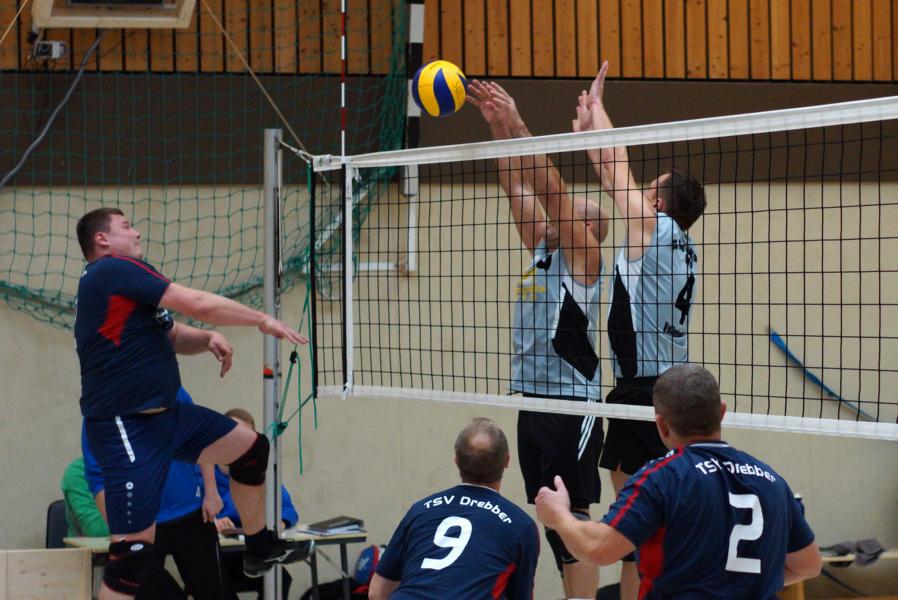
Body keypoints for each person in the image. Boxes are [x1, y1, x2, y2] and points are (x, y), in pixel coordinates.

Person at [74, 207, 312, 599]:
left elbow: (169, 334)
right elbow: (198, 303)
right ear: (102, 239)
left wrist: (205, 339)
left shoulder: (125, 288)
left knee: (251, 449)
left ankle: (259, 547)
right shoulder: (111, 270)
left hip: (168, 417)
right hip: (125, 424)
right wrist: (260, 320)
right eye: (127, 226)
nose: (137, 233)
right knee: (132, 556)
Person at [467, 80, 609, 599]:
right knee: (552, 519)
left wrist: (520, 121)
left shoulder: (585, 261)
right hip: (534, 399)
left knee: (574, 517)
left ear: (586, 231)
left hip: (572, 401)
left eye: (574, 216)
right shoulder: (541, 251)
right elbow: (517, 187)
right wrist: (498, 127)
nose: (556, 218)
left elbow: (552, 193)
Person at [574, 61, 707, 599]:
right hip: (657, 387)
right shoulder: (675, 241)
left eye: (647, 190)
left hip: (644, 392)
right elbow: (613, 173)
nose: (634, 192)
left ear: (656, 203)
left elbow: (616, 166)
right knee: (640, 529)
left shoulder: (654, 227)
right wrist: (589, 134)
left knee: (638, 526)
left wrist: (600, 114)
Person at [535, 364, 823, 599]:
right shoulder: (772, 481)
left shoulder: (662, 478)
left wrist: (559, 515)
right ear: (722, 412)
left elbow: (597, 548)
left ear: (661, 424)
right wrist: (742, 584)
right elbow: (808, 565)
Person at [83, 387, 233, 600]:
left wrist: (211, 491)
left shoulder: (170, 389)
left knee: (214, 591)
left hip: (191, 512)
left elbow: (200, 438)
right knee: (149, 592)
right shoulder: (99, 409)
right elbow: (97, 478)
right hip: (141, 523)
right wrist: (119, 531)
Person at [368, 418, 539, 600]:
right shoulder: (521, 526)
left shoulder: (420, 511)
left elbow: (377, 592)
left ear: (456, 460)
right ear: (507, 460)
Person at [214, 408, 299, 600]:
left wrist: (279, 522)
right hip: (217, 556)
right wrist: (213, 521)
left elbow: (287, 509)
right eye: (233, 434)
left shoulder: (259, 473)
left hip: (250, 551)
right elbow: (191, 510)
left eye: (245, 437)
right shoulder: (203, 473)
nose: (238, 442)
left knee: (281, 578)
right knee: (214, 582)